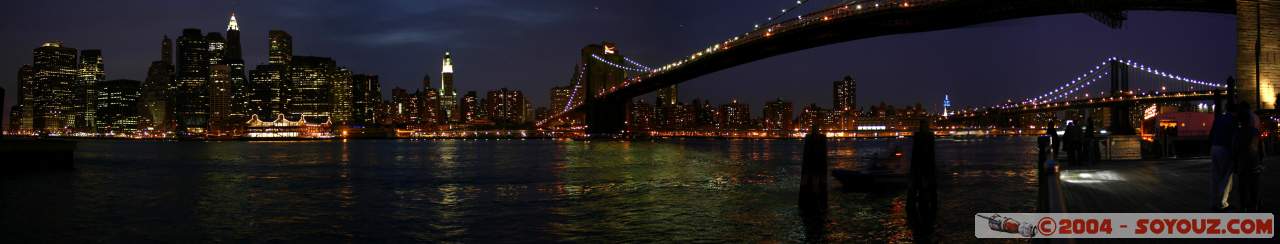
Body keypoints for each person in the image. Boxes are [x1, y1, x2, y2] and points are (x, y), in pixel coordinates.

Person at [1234, 103, 1262, 212]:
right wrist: (1260, 161)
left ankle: (1243, 207)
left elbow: (1234, 148)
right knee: (1254, 185)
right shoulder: (1255, 132)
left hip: (1242, 163)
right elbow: (1259, 148)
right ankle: (1254, 205)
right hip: (1254, 162)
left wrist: (1235, 161)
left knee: (1242, 186)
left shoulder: (1237, 132)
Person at [1209, 103, 1236, 211]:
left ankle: (1213, 202)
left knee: (1215, 176)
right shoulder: (1233, 120)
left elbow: (1211, 134)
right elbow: (1234, 137)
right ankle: (1222, 203)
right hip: (1225, 149)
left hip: (1214, 148)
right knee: (1226, 177)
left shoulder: (1219, 118)